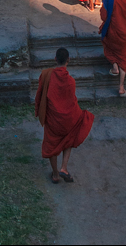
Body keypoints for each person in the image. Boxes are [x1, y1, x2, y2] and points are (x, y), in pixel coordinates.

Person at [34, 46, 94, 184]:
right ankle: (64, 168)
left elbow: (39, 95)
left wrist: (38, 111)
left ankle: (55, 174)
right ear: (69, 60)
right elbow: (71, 102)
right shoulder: (71, 81)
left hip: (53, 119)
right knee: (69, 136)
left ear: (55, 59)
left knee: (52, 144)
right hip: (68, 120)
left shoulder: (46, 75)